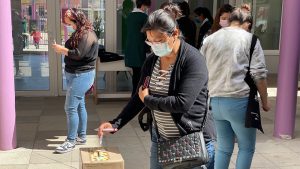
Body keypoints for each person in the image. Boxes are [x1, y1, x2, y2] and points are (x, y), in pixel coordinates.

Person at [98, 4, 214, 169]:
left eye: (158, 41)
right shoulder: (152, 61)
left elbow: (182, 103)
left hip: (190, 140)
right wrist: (116, 123)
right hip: (161, 139)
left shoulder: (193, 60)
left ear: (174, 33)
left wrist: (148, 99)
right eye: (149, 41)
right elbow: (138, 97)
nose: (154, 46)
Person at [201, 7, 270, 169]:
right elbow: (259, 75)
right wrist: (265, 102)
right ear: (246, 23)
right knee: (246, 148)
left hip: (216, 102)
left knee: (224, 148)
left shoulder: (210, 39)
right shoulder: (250, 39)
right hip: (240, 102)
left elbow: (201, 69)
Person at [52, 8, 98, 154]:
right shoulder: (80, 32)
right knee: (79, 105)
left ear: (77, 21)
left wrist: (61, 50)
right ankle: (81, 136)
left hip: (82, 75)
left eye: (70, 23)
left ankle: (70, 141)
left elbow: (78, 54)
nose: (69, 26)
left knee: (70, 107)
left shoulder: (88, 34)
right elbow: (73, 48)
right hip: (74, 73)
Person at [124, 0, 151, 97]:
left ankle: (134, 95)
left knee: (135, 74)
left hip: (130, 48)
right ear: (143, 5)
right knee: (140, 75)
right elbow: (147, 34)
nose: (147, 9)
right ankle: (137, 96)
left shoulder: (129, 16)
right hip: (139, 48)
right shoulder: (143, 17)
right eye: (147, 7)